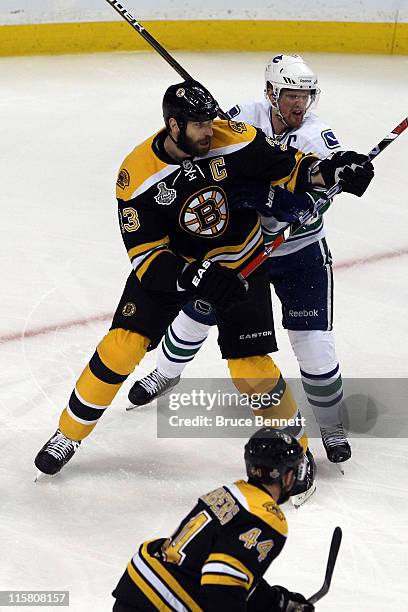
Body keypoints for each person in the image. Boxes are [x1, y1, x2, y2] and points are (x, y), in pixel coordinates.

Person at [34, 78, 373, 480]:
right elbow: (146, 256)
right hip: (174, 266)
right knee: (120, 347)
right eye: (198, 125)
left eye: (210, 122)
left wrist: (332, 169)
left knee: (251, 369)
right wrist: (194, 276)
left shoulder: (235, 138)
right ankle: (67, 434)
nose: (209, 131)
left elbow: (291, 168)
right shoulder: (137, 173)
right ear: (173, 126)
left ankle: (296, 451)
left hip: (240, 264)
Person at [128, 55, 352, 465]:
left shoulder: (319, 137)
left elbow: (318, 193)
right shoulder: (241, 118)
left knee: (313, 342)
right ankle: (165, 371)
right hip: (243, 248)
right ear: (271, 93)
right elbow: (209, 160)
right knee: (198, 310)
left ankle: (332, 424)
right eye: (291, 96)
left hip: (299, 252)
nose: (299, 105)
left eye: (305, 96)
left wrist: (299, 191)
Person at [112, 428, 315, 611]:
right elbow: (222, 584)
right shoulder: (267, 516)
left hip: (142, 589)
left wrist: (277, 602)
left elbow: (222, 569)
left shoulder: (231, 493)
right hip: (167, 603)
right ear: (287, 476)